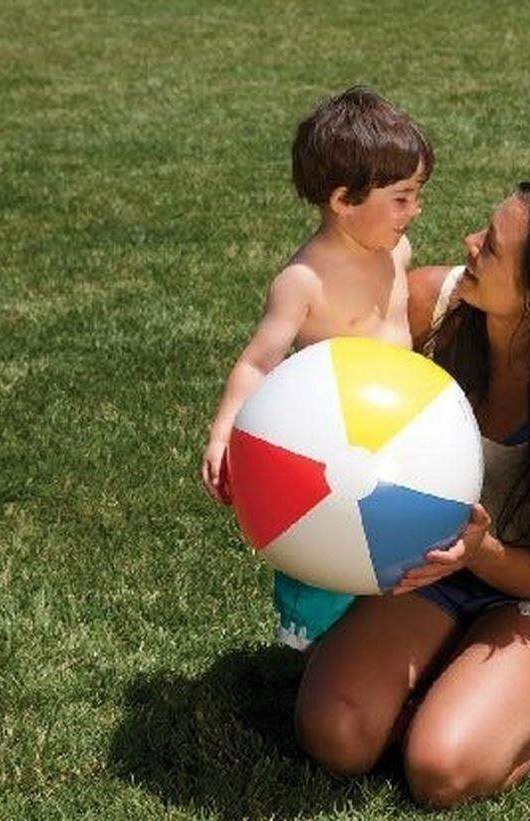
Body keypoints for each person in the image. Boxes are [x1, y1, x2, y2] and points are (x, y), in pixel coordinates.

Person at [294, 176, 530, 807]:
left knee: (441, 770)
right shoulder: (431, 306)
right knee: (335, 735)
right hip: (432, 565)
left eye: (492, 247)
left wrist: (478, 550)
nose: (469, 242)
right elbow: (332, 381)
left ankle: (504, 708)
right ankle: (450, 676)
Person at [200, 86, 432, 649]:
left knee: (396, 546)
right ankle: (303, 641)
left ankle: (381, 640)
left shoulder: (396, 253)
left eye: (417, 195)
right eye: (401, 198)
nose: (415, 211)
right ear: (344, 200)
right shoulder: (305, 281)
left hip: (396, 433)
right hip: (329, 449)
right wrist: (225, 431)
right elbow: (258, 362)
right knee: (327, 550)